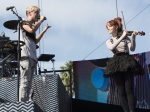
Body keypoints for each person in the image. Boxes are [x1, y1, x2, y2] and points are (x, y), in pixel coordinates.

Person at [103, 17, 144, 112]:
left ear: (116, 27)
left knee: (129, 90)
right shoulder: (109, 41)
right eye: (107, 27)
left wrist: (133, 37)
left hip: (126, 61)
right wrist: (122, 36)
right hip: (115, 64)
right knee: (121, 91)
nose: (108, 29)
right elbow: (112, 47)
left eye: (110, 26)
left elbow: (132, 48)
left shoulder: (126, 38)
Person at [19, 6, 51, 102]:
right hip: (26, 56)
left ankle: (26, 103)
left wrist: (44, 30)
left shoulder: (32, 26)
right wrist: (40, 21)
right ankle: (22, 105)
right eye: (36, 13)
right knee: (25, 82)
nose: (38, 15)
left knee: (29, 84)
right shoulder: (23, 22)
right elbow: (31, 30)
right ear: (29, 13)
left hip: (32, 57)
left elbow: (35, 41)